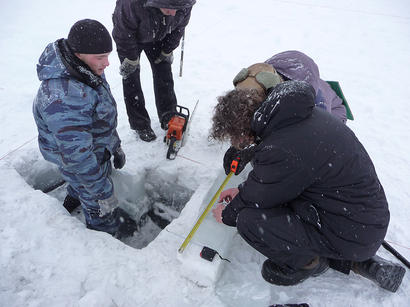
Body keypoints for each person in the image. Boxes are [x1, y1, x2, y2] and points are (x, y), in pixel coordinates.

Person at [210, 81, 405, 292]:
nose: (236, 143)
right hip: (361, 222)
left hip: (350, 230)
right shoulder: (292, 116)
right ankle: (356, 260)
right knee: (276, 203)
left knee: (249, 221)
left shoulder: (281, 146)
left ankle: (309, 262)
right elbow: (274, 182)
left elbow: (260, 195)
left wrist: (228, 213)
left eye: (233, 137)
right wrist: (241, 192)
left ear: (242, 131)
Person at [33, 19, 137, 238]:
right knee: (99, 200)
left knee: (89, 181)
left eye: (108, 55)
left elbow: (103, 113)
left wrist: (114, 146)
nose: (107, 63)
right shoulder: (63, 96)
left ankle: (75, 194)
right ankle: (103, 228)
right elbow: (77, 157)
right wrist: (103, 192)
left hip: (92, 148)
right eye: (101, 57)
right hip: (75, 156)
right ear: (78, 54)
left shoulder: (87, 69)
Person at [112, 0, 196, 142]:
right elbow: (122, 31)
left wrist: (168, 49)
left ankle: (168, 114)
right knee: (131, 78)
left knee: (164, 73)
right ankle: (140, 124)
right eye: (170, 8)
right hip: (130, 38)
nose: (174, 13)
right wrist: (131, 58)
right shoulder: (132, 4)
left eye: (177, 9)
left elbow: (179, 28)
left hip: (160, 36)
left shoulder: (184, 4)